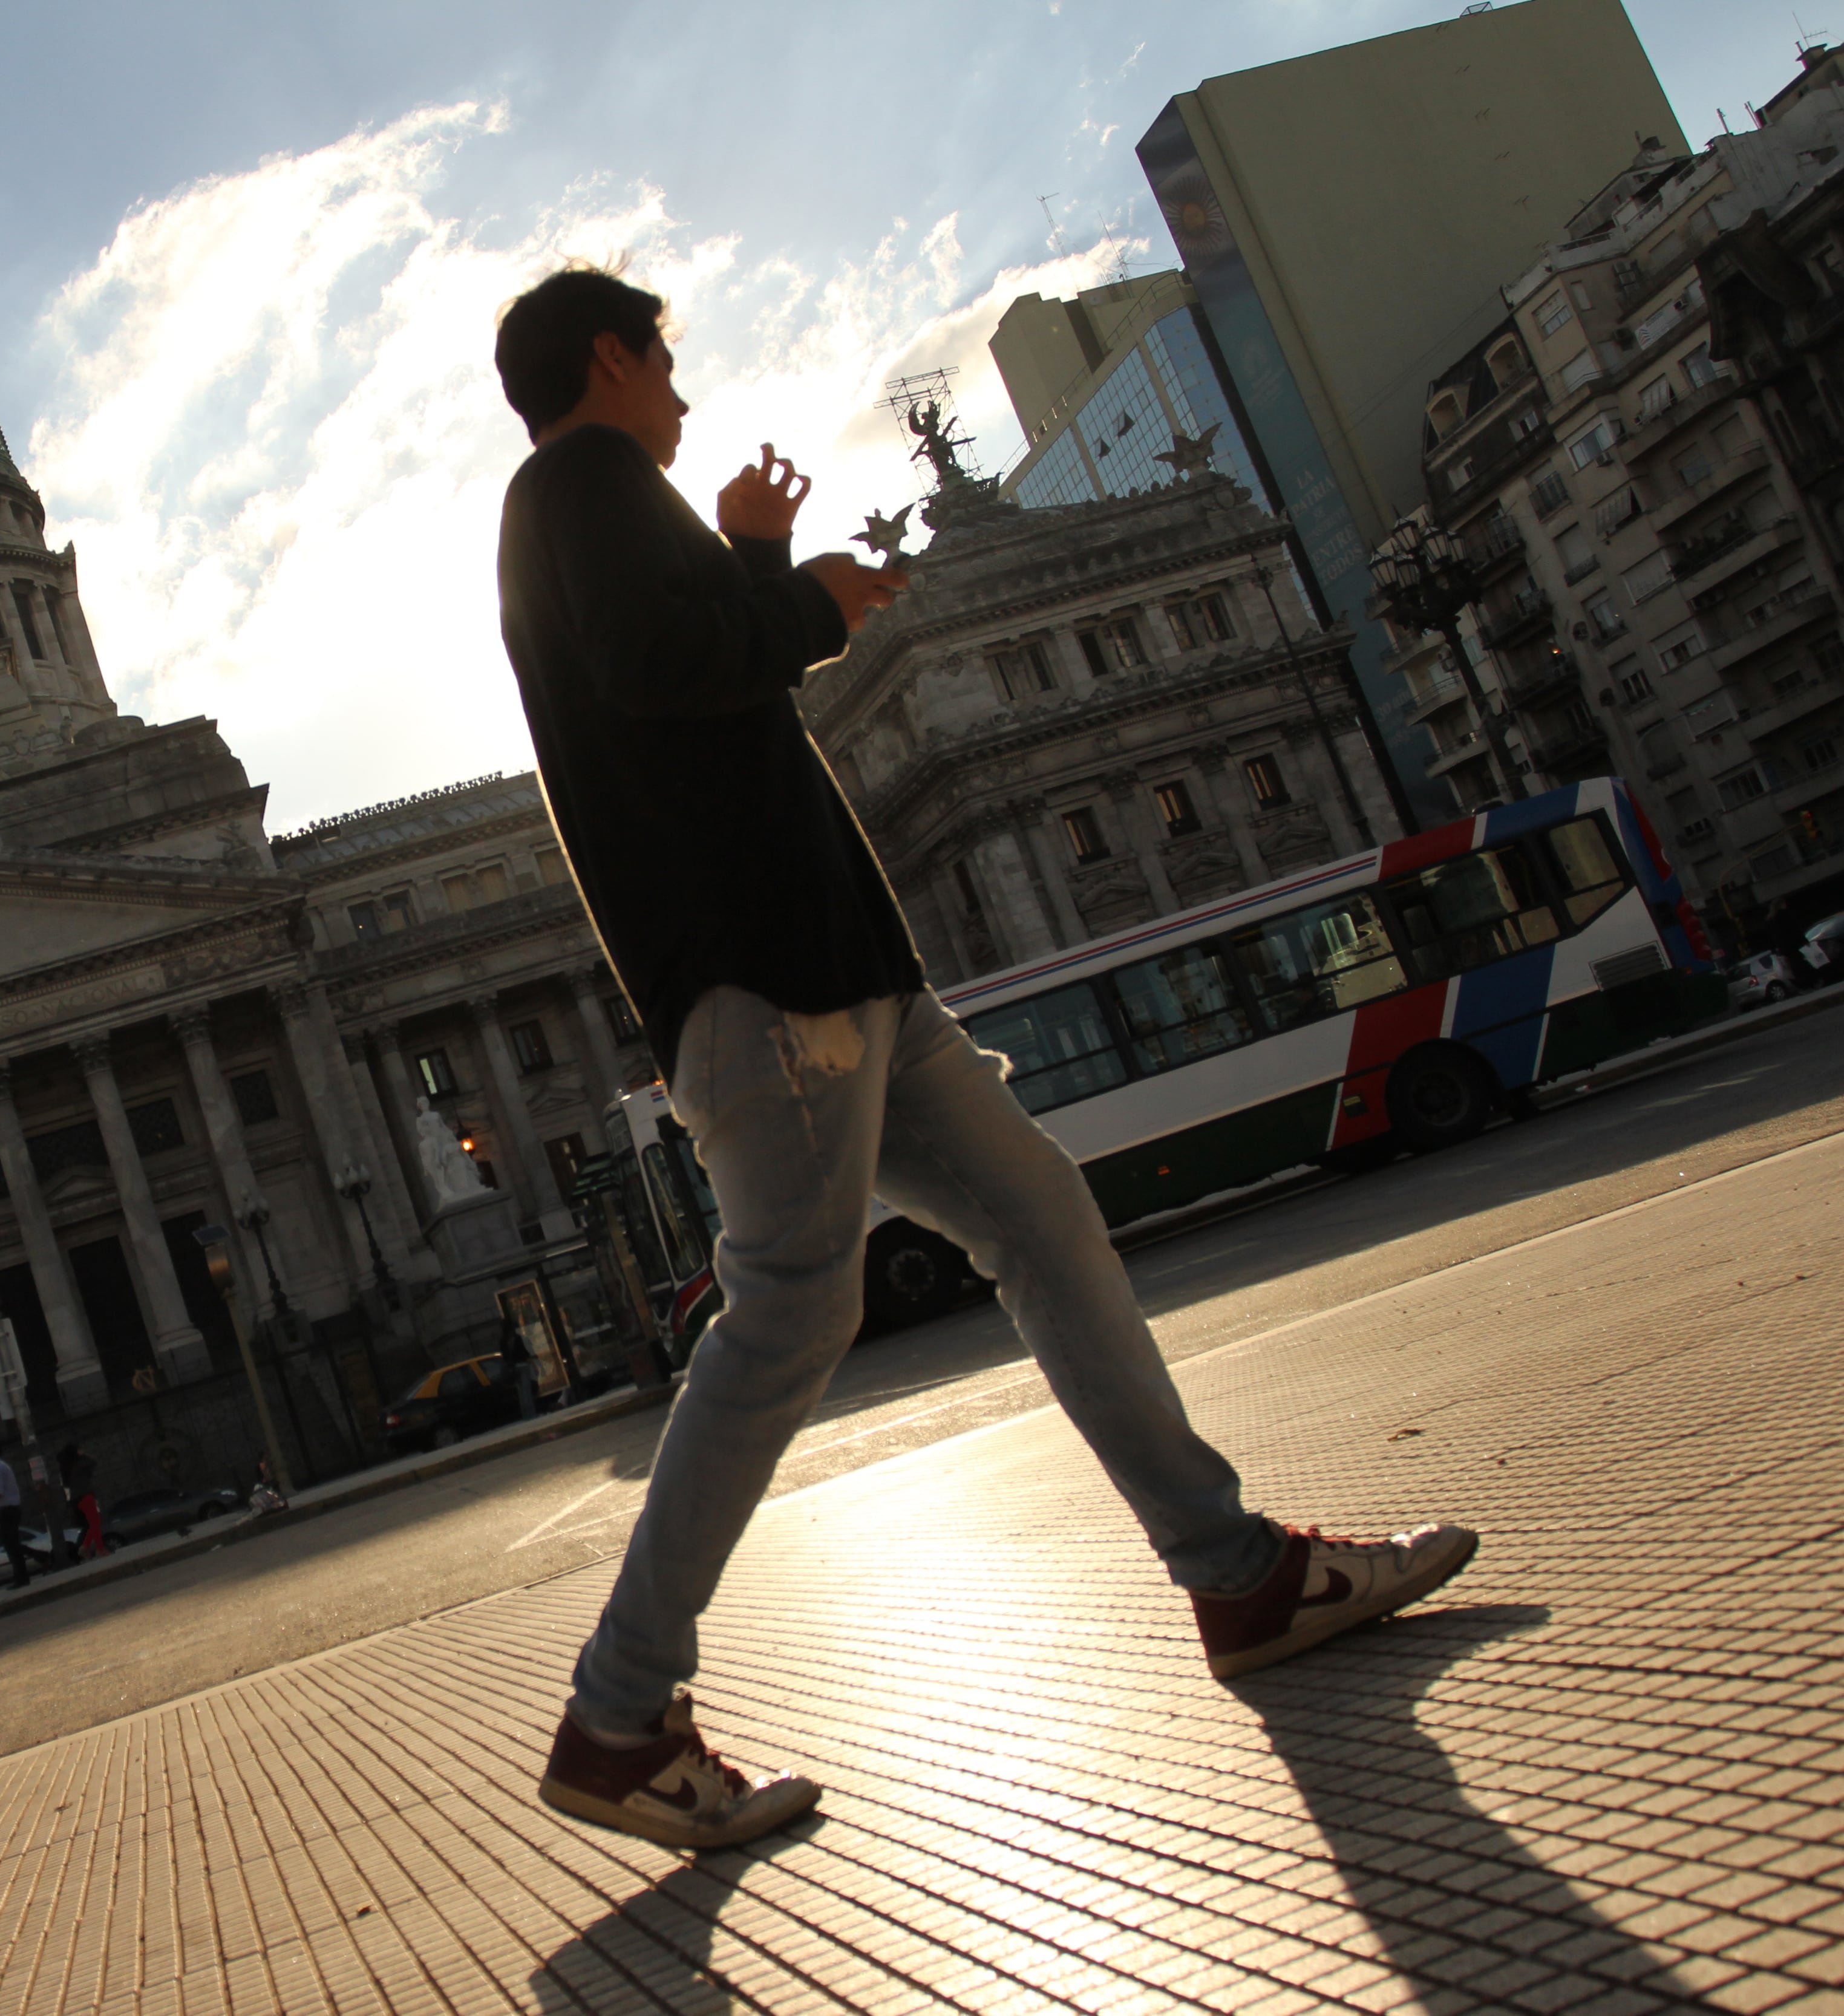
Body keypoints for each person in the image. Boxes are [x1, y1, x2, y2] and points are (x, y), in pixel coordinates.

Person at [490, 267, 1478, 1852]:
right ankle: (619, 1709)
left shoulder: (603, 508)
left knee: (1042, 1216)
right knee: (792, 1313)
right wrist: (809, 594)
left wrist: (749, 560)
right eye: (665, 362)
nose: (680, 391)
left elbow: (695, 681)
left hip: (851, 982)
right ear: (610, 358)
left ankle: (1240, 1573)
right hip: (778, 981)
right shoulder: (579, 486)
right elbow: (670, 667)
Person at [0, 1441, 31, 1588]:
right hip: (13, 1508)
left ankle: (21, 1578)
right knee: (14, 1544)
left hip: (7, 1510)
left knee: (10, 1545)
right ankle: (23, 1576)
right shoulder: (2, 1466)